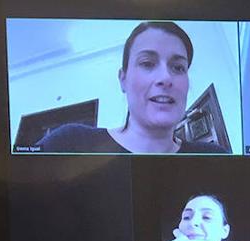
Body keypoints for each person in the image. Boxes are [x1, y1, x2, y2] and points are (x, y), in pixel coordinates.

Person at [39, 21, 226, 154]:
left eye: (178, 67)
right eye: (147, 63)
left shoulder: (215, 157)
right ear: (123, 79)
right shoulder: (70, 142)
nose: (165, 78)